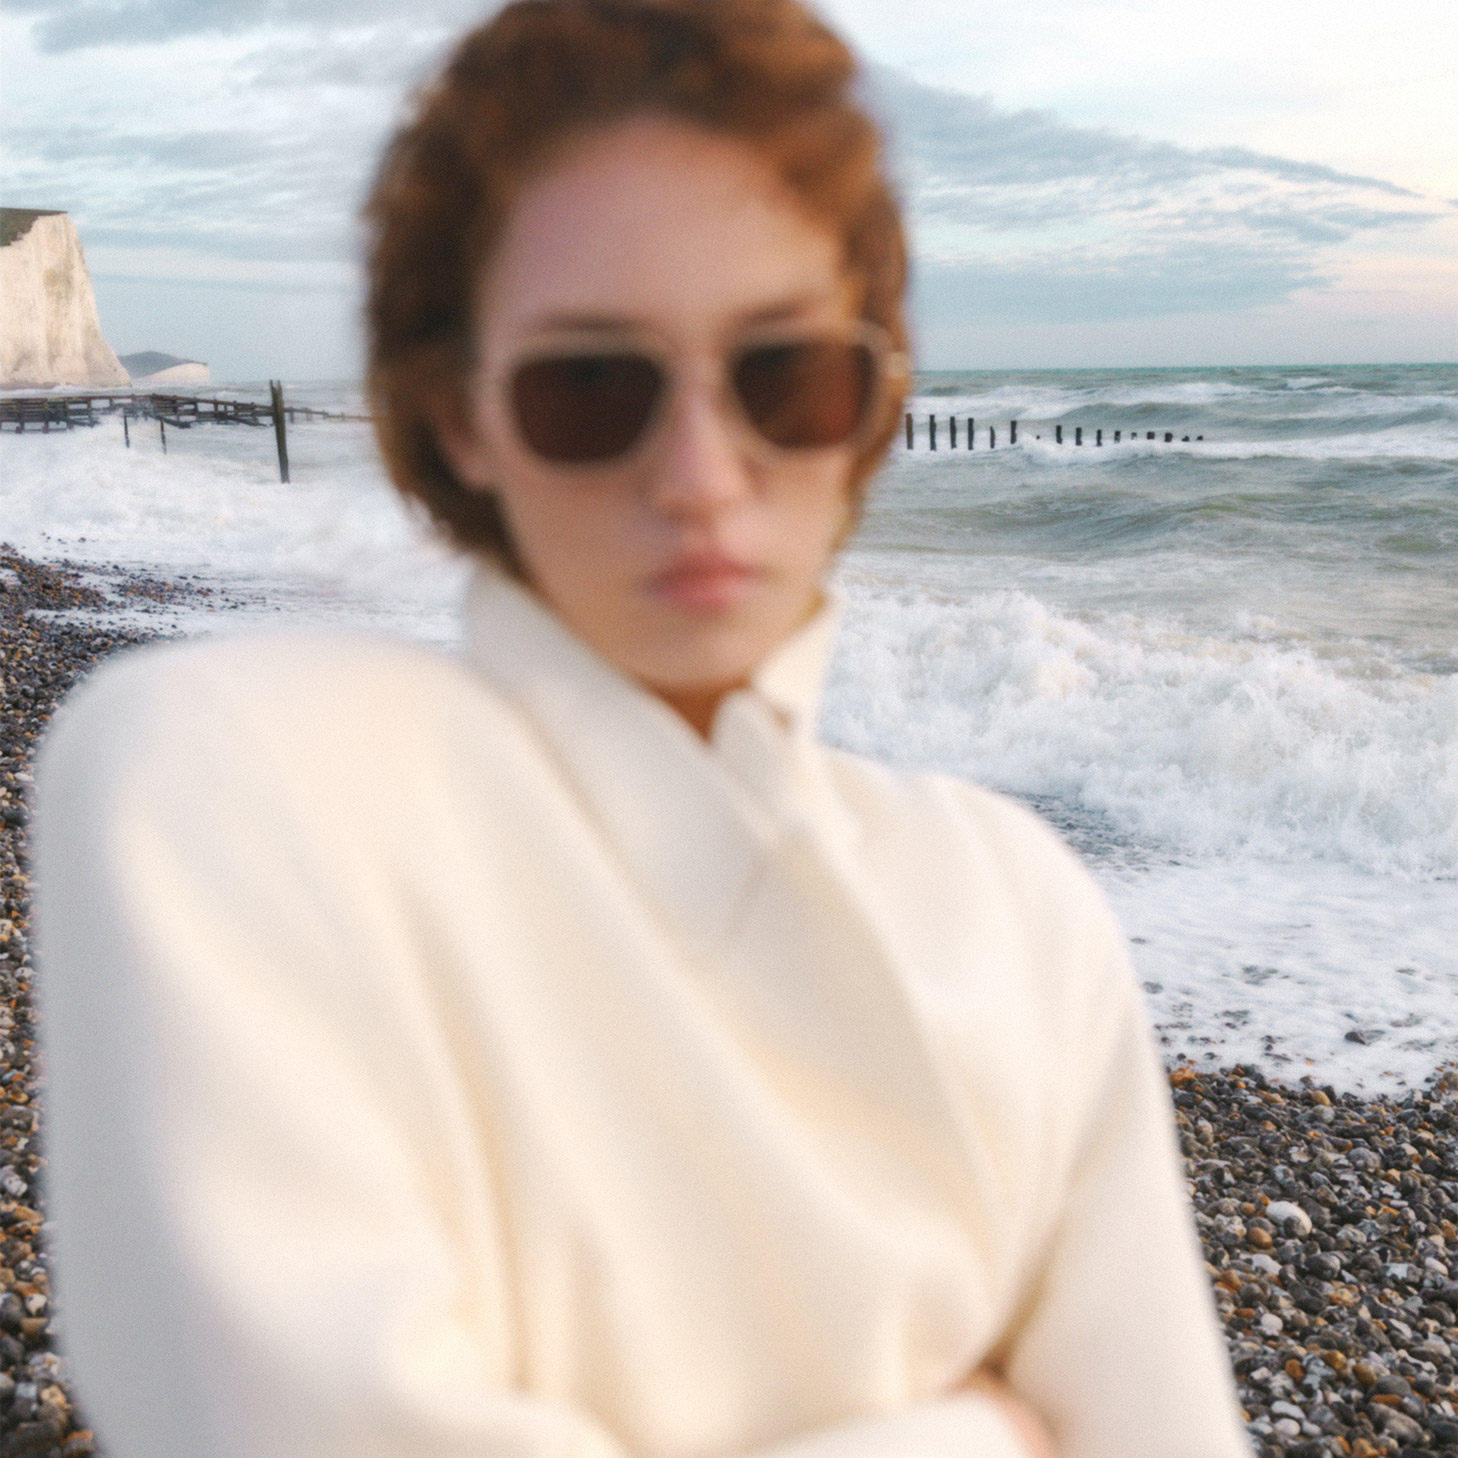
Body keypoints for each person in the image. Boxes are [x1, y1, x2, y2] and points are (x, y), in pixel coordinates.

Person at [34, 2, 1251, 1456]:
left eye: (781, 376)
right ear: (460, 412)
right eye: (591, 386)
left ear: (871, 402)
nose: (697, 475)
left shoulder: (1019, 906)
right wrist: (982, 1433)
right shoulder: (223, 778)